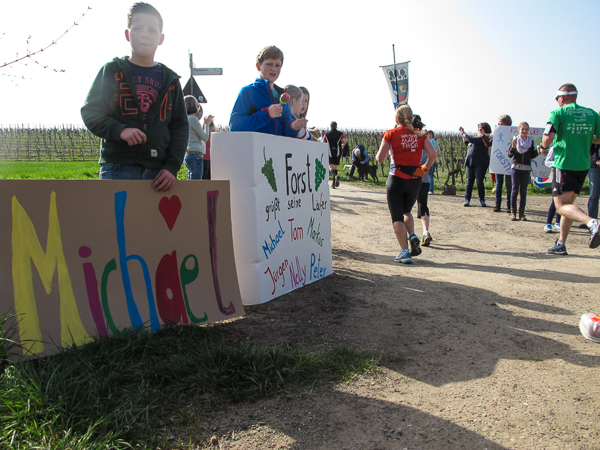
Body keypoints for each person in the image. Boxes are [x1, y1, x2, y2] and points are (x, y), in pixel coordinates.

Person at [81, 2, 188, 192]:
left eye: (152, 30)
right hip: (117, 168)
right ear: (127, 34)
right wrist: (120, 130)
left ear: (161, 38)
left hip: (159, 173)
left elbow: (180, 127)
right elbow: (90, 112)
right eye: (138, 28)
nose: (145, 35)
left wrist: (172, 167)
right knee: (114, 213)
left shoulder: (171, 80)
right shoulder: (112, 71)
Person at [542, 84, 600, 255]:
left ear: (561, 98)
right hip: (583, 165)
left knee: (561, 207)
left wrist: (543, 147)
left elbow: (548, 138)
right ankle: (561, 243)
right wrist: (584, 137)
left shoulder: (558, 113)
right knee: (568, 205)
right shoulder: (592, 114)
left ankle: (592, 223)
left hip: (564, 163)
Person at [376, 105, 436, 264]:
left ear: (396, 119)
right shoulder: (420, 135)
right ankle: (412, 235)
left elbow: (380, 158)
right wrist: (425, 168)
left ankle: (405, 252)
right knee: (407, 211)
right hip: (415, 180)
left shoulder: (390, 134)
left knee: (397, 217)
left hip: (396, 178)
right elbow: (433, 154)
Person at [229, 45, 307, 137]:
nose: (273, 68)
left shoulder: (282, 96)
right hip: (255, 146)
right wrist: (267, 114)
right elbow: (234, 126)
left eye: (277, 65)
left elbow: (286, 132)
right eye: (269, 64)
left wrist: (292, 127)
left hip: (276, 146)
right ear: (258, 66)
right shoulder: (248, 92)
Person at [507, 122, 543, 220]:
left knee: (523, 191)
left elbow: (531, 155)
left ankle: (522, 213)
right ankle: (513, 213)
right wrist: (513, 147)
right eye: (522, 129)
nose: (524, 131)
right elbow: (510, 155)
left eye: (526, 129)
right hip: (516, 168)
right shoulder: (515, 140)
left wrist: (538, 151)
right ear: (518, 130)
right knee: (514, 190)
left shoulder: (530, 141)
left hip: (526, 169)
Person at [459, 122, 492, 207]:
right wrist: (463, 136)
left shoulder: (485, 138)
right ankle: (467, 199)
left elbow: (471, 140)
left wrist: (463, 133)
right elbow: (468, 143)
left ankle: (482, 200)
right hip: (471, 162)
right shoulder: (477, 137)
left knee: (479, 181)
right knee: (469, 181)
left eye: (480, 128)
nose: (479, 130)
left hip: (480, 162)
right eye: (478, 128)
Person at [183, 95, 212, 180]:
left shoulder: (184, 119)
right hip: (195, 154)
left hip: (188, 154)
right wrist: (207, 125)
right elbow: (205, 137)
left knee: (192, 183)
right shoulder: (193, 119)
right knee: (196, 183)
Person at [494, 115, 513, 213]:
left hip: (509, 163)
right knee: (498, 185)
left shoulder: (513, 134)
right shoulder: (497, 133)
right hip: (499, 162)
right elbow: (489, 143)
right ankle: (497, 204)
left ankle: (509, 205)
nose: (498, 124)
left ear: (506, 123)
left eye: (500, 122)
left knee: (509, 185)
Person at [543, 146, 561, 233]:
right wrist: (558, 163)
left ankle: (558, 222)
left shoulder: (571, 147)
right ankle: (548, 223)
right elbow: (547, 162)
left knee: (563, 201)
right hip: (557, 177)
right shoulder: (554, 148)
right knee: (555, 200)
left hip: (567, 177)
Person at [324, 121, 347, 189]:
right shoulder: (340, 133)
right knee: (335, 167)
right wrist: (342, 145)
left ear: (330, 126)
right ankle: (334, 183)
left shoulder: (327, 134)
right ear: (336, 126)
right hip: (338, 152)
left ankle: (336, 176)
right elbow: (345, 141)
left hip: (330, 152)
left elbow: (323, 141)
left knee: (331, 167)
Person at [587, 140, 600, 221]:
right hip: (594, 166)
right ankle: (592, 220)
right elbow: (589, 147)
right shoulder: (594, 134)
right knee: (594, 194)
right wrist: (596, 159)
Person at [427, 130, 438, 194]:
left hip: (431, 159)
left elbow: (434, 150)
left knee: (430, 174)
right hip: (430, 159)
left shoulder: (432, 141)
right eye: (429, 134)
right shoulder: (429, 141)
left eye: (431, 134)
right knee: (429, 174)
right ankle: (430, 189)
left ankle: (431, 189)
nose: (430, 135)